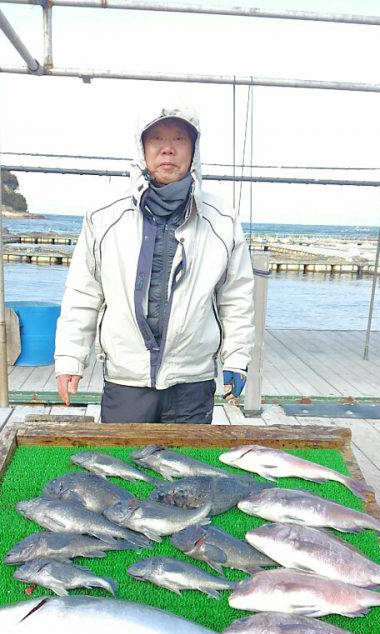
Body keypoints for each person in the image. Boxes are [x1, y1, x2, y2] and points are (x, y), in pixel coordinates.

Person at [55, 106, 255, 423]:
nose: (168, 148)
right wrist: (70, 358)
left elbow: (236, 297)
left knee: (190, 471)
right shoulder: (104, 216)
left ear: (193, 150)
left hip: (192, 381)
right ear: (142, 148)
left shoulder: (222, 220)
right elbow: (84, 292)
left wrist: (237, 357)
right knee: (121, 468)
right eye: (157, 139)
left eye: (179, 138)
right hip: (126, 381)